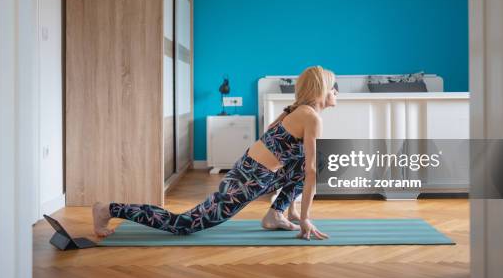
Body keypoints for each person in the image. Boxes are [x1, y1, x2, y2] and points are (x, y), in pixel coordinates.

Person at [92, 65, 338, 240]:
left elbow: (303, 166)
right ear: (320, 91)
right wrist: (305, 217)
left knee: (315, 159)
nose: (336, 92)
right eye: (333, 88)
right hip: (246, 182)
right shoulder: (310, 117)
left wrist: (292, 207)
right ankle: (108, 209)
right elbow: (311, 172)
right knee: (183, 224)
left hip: (257, 174)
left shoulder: (299, 112)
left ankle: (276, 214)